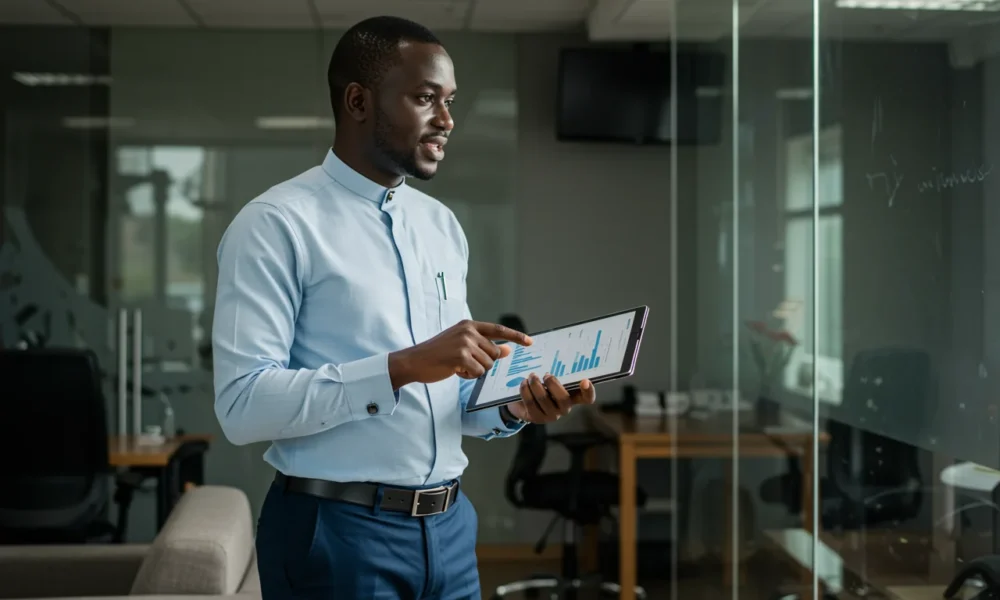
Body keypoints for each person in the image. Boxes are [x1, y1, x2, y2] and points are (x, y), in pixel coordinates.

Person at [211, 15, 596, 600]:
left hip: (449, 531)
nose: (446, 120)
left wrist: (514, 406)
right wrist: (401, 366)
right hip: (336, 534)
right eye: (425, 98)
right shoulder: (276, 225)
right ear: (359, 101)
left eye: (450, 101)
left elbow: (450, 401)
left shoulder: (440, 226)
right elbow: (242, 406)